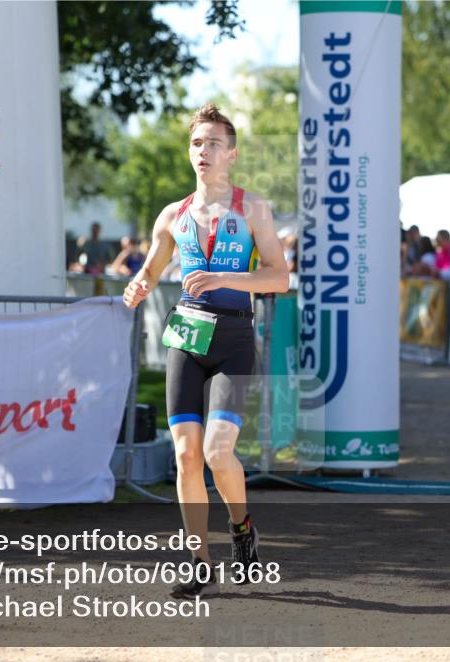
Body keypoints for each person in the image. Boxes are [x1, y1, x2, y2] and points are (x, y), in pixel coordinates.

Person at [122, 103, 288, 598]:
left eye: (214, 143)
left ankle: (242, 529)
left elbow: (278, 277)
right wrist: (137, 286)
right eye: (197, 143)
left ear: (231, 154)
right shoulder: (173, 215)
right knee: (186, 455)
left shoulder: (252, 208)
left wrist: (221, 277)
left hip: (235, 339)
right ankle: (198, 561)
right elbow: (150, 270)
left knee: (218, 452)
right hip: (188, 341)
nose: (204, 151)